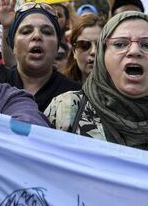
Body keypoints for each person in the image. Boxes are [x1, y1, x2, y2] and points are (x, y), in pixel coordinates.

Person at [45, 11, 148, 149]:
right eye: (120, 44)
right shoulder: (66, 109)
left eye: (147, 45)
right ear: (102, 55)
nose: (134, 51)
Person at [3, 1, 81, 112]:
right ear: (13, 45)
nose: (37, 36)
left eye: (47, 32)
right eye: (26, 31)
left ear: (57, 47)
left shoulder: (77, 96)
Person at [64, 14, 105, 83]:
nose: (93, 51)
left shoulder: (124, 90)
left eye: (99, 45)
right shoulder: (61, 91)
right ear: (74, 51)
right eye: (84, 45)